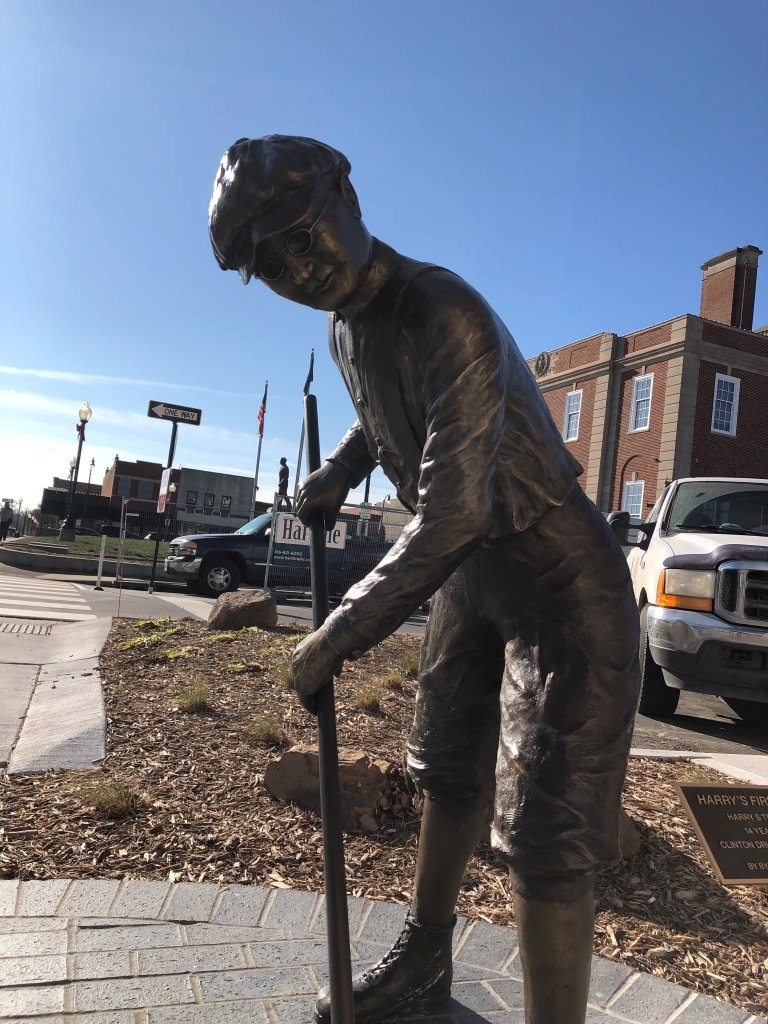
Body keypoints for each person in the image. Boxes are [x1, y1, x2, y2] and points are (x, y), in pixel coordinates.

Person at [209, 135, 640, 1024]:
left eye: (302, 236)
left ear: (347, 199)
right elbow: (388, 412)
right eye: (271, 265)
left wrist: (339, 633)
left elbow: (450, 510)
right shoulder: (345, 325)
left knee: (545, 836)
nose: (298, 268)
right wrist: (339, 469)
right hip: (471, 580)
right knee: (445, 769)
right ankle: (425, 964)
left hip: (560, 584)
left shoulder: (446, 309)